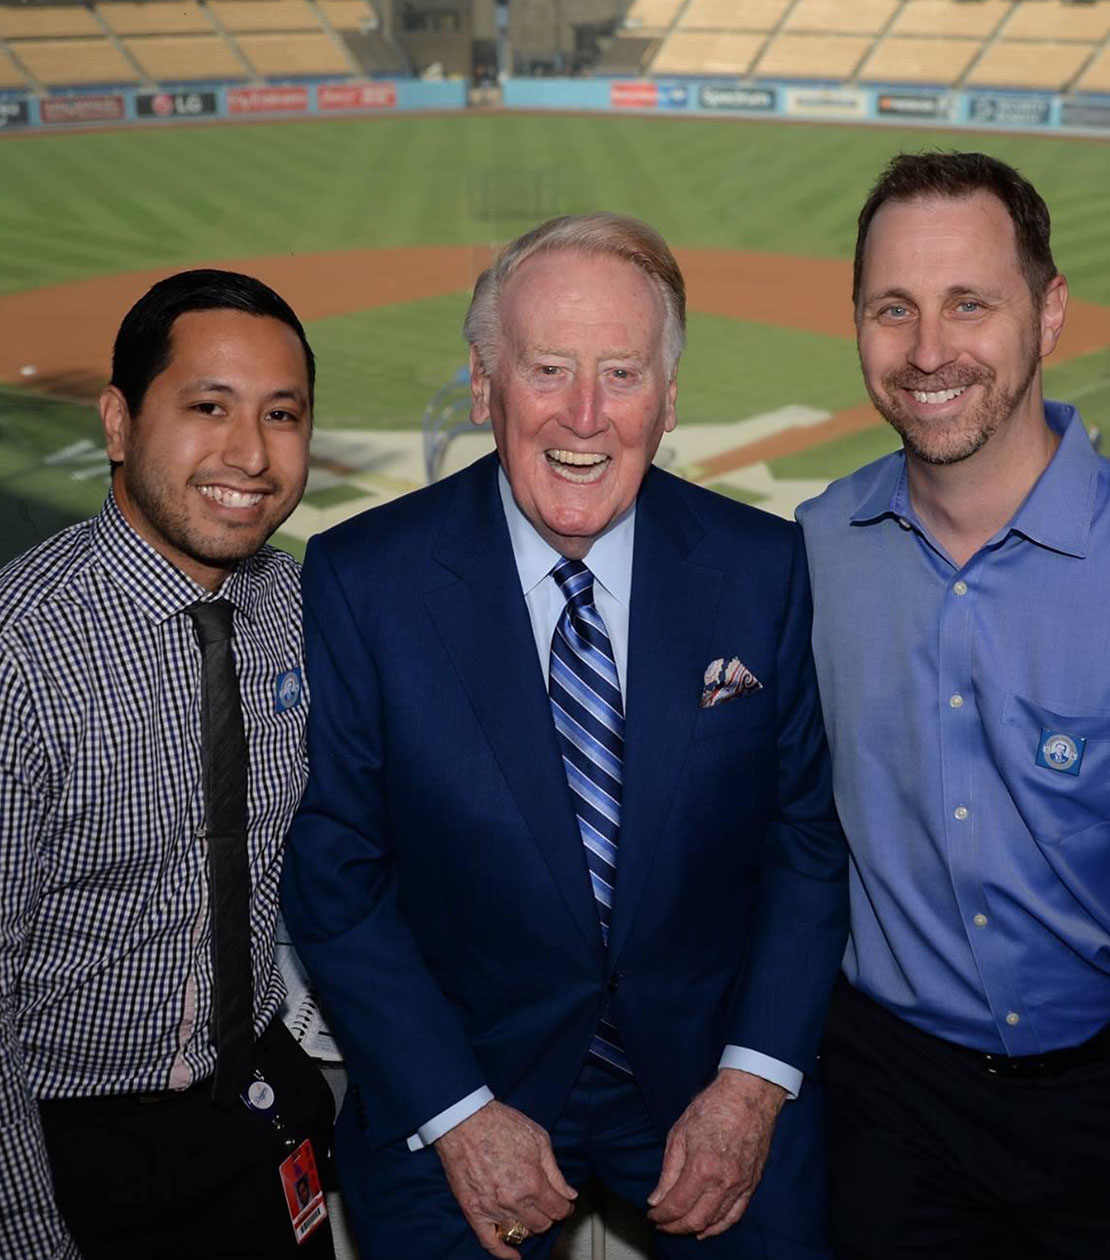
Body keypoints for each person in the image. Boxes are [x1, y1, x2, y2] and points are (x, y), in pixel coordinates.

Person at [282, 213, 847, 1259]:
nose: (584, 416)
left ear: (669, 399)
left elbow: (806, 845)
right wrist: (455, 1111)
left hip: (709, 1071)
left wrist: (752, 1085)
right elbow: (336, 876)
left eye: (622, 374)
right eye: (547, 369)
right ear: (486, 381)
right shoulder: (365, 579)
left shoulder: (765, 570)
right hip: (465, 1072)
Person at [796, 151, 1110, 1259]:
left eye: (970, 303)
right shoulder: (816, 548)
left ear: (1050, 311)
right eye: (895, 309)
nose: (929, 352)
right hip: (891, 1103)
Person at [0, 269, 336, 1259]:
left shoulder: (303, 606)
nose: (250, 453)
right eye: (208, 407)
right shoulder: (20, 654)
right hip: (72, 1141)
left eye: (283, 414)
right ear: (118, 421)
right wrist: (21, 1224)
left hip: (259, 1106)